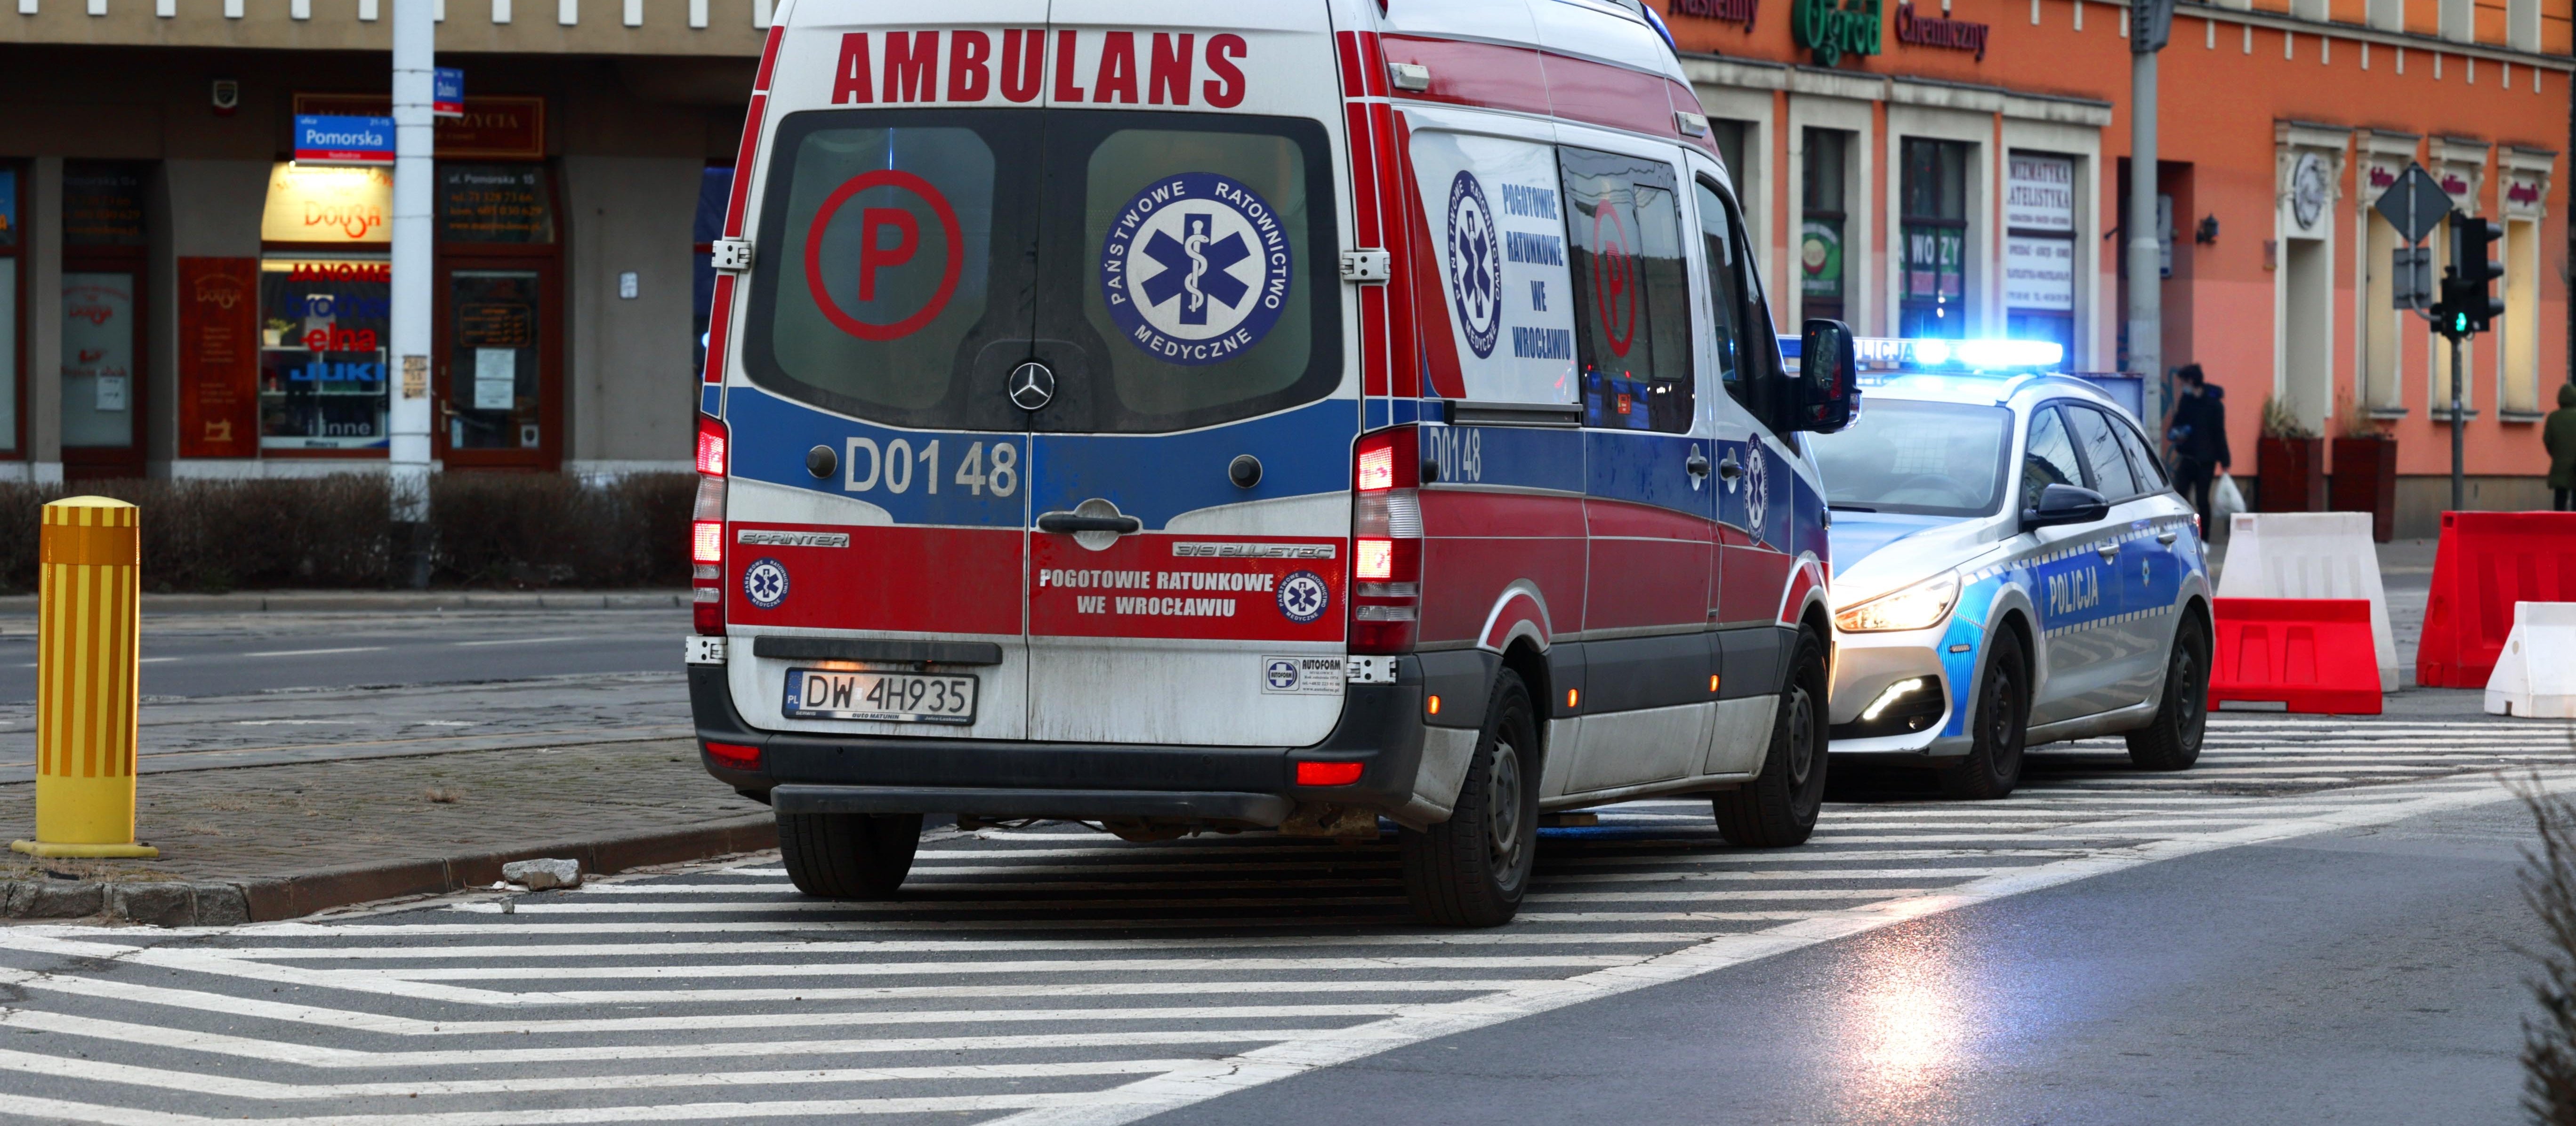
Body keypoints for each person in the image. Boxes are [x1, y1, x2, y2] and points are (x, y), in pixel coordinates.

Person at [2165, 364, 2232, 528]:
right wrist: (2177, 433)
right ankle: (2185, 528)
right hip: (2188, 457)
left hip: (2206, 461)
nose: (2182, 387)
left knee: (2203, 500)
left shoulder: (2214, 405)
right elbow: (2177, 423)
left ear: (2191, 381)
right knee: (2180, 496)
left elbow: (2219, 432)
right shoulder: (2186, 401)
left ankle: (2205, 538)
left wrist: (2225, 461)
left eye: (2183, 383)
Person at [2548, 380, 2576, 512]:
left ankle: (2559, 525)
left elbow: (2547, 440)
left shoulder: (2553, 418)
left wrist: (2556, 454)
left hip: (2560, 465)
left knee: (2560, 498)